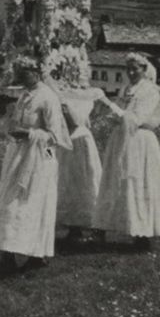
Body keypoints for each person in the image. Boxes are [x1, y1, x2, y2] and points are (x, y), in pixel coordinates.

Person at [0, 57, 72, 275]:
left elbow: (55, 136)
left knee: (32, 205)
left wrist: (28, 134)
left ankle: (34, 255)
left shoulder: (47, 97)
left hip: (39, 159)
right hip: (19, 155)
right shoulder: (25, 95)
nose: (19, 76)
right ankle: (8, 255)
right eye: (18, 71)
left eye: (23, 72)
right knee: (10, 203)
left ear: (36, 73)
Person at [93, 53, 160, 251]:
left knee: (138, 180)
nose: (130, 72)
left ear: (144, 70)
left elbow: (136, 119)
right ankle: (105, 226)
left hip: (140, 139)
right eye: (128, 69)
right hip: (121, 138)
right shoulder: (126, 88)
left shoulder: (150, 91)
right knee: (116, 179)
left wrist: (109, 104)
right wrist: (109, 111)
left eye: (135, 69)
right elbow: (121, 115)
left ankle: (142, 231)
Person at [56, 86, 104, 243]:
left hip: (80, 139)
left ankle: (95, 225)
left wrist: (64, 107)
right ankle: (73, 227)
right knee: (69, 182)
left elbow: (76, 121)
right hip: (66, 140)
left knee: (85, 180)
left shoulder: (88, 94)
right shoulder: (61, 93)